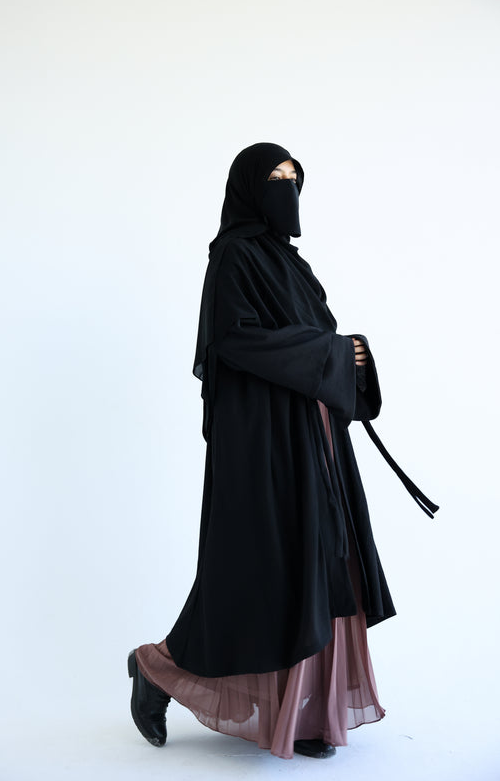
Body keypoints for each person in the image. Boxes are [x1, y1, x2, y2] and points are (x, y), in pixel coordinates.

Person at [127, 142, 398, 761]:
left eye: (295, 178)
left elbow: (313, 335)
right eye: (275, 177)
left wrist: (347, 353)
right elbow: (236, 341)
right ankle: (155, 667)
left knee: (322, 564)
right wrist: (332, 353)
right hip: (266, 440)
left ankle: (306, 713)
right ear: (249, 187)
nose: (287, 189)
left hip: (313, 434)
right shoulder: (233, 257)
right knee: (264, 570)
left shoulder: (292, 264)